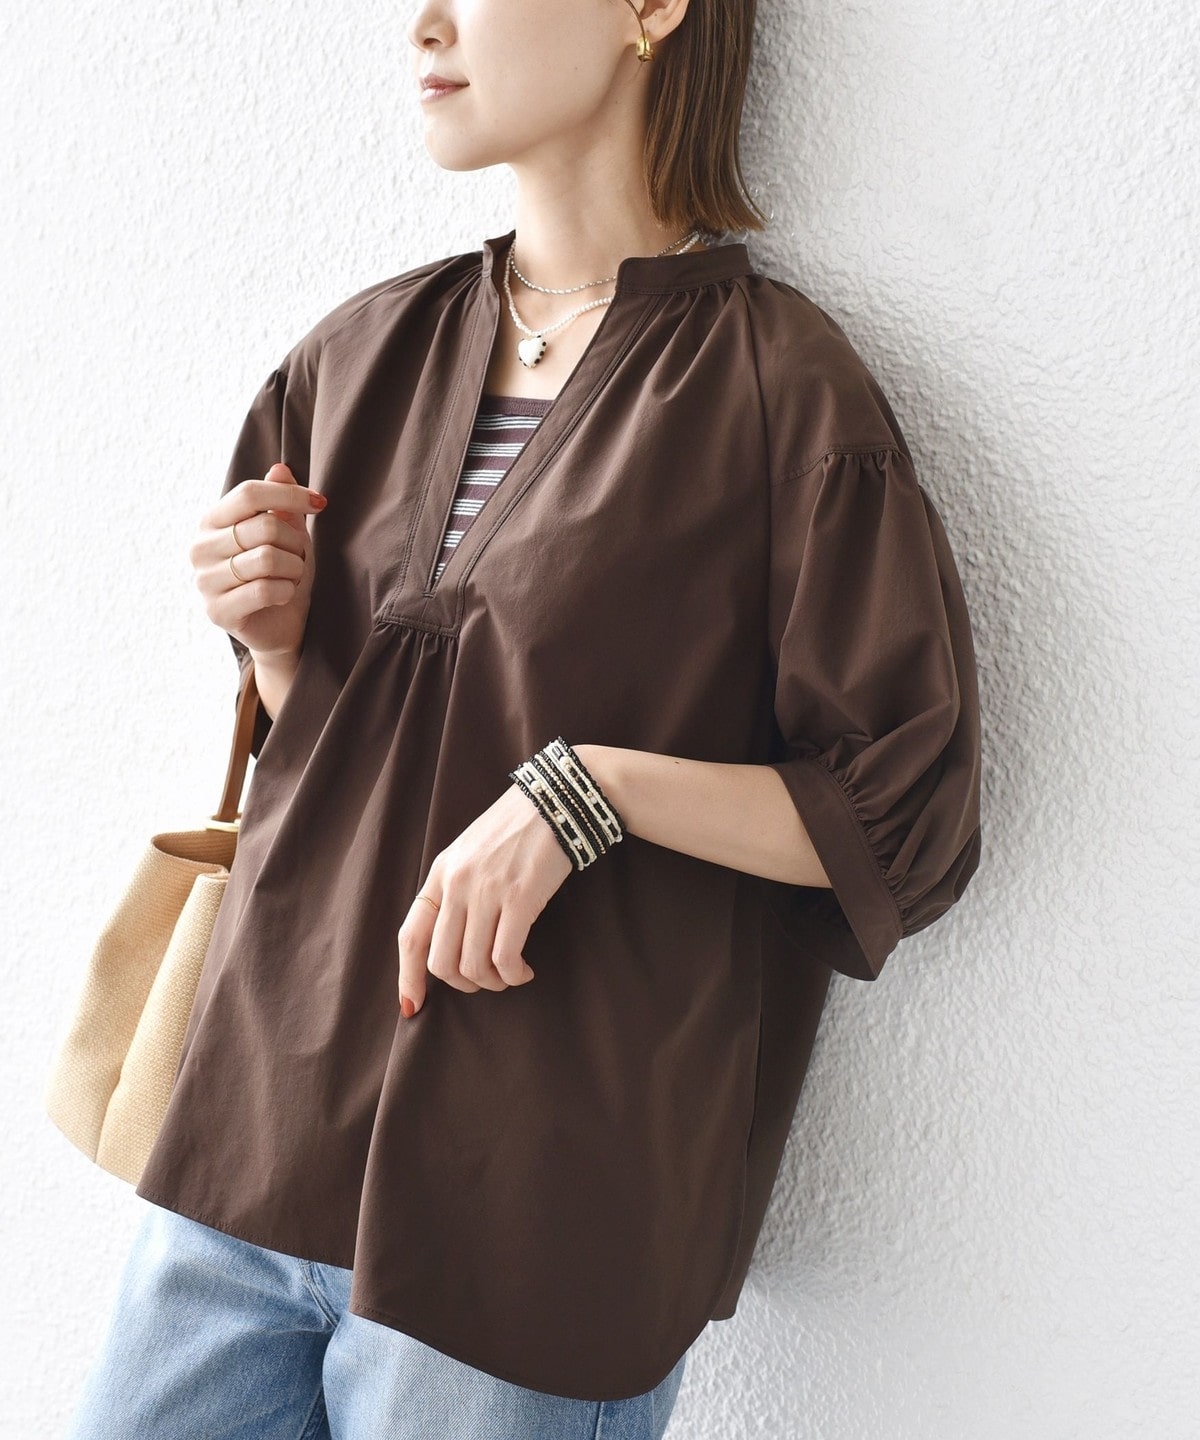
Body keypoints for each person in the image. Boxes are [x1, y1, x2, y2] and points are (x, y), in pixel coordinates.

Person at [65, 0, 984, 1434]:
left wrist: (589, 793)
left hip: (533, 1222)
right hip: (250, 1151)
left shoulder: (780, 395)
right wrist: (272, 646)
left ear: (650, 8)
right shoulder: (358, 354)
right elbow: (339, 761)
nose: (424, 22)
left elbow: (902, 817)